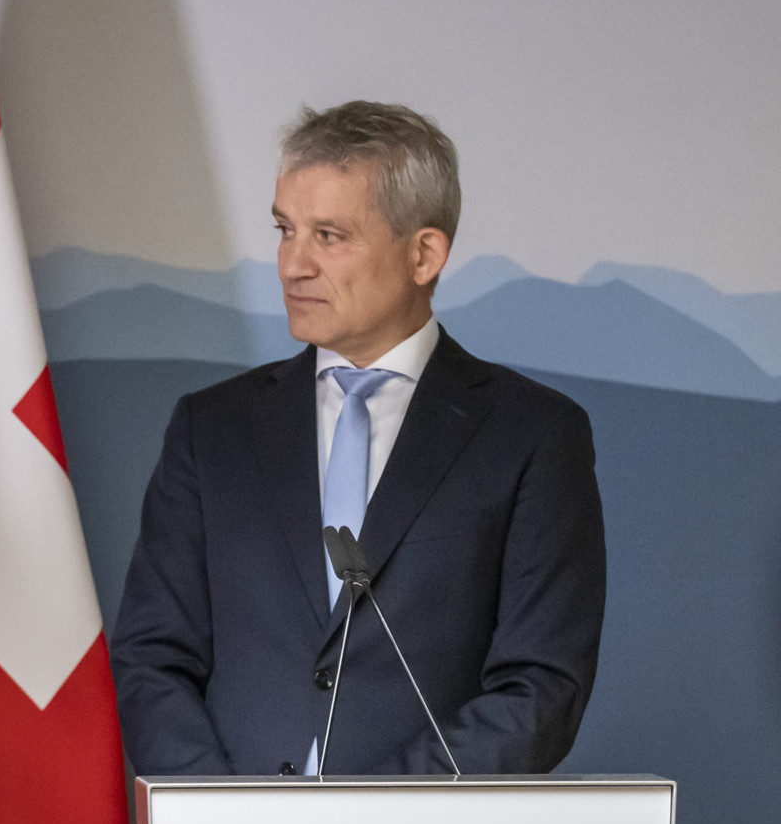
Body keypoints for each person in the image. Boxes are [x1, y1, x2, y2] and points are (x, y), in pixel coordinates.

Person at [110, 101, 606, 776]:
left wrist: (374, 817)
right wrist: (222, 814)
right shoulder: (211, 429)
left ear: (423, 255)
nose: (292, 265)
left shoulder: (532, 435)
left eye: (329, 236)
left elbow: (541, 688)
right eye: (285, 230)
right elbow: (152, 658)